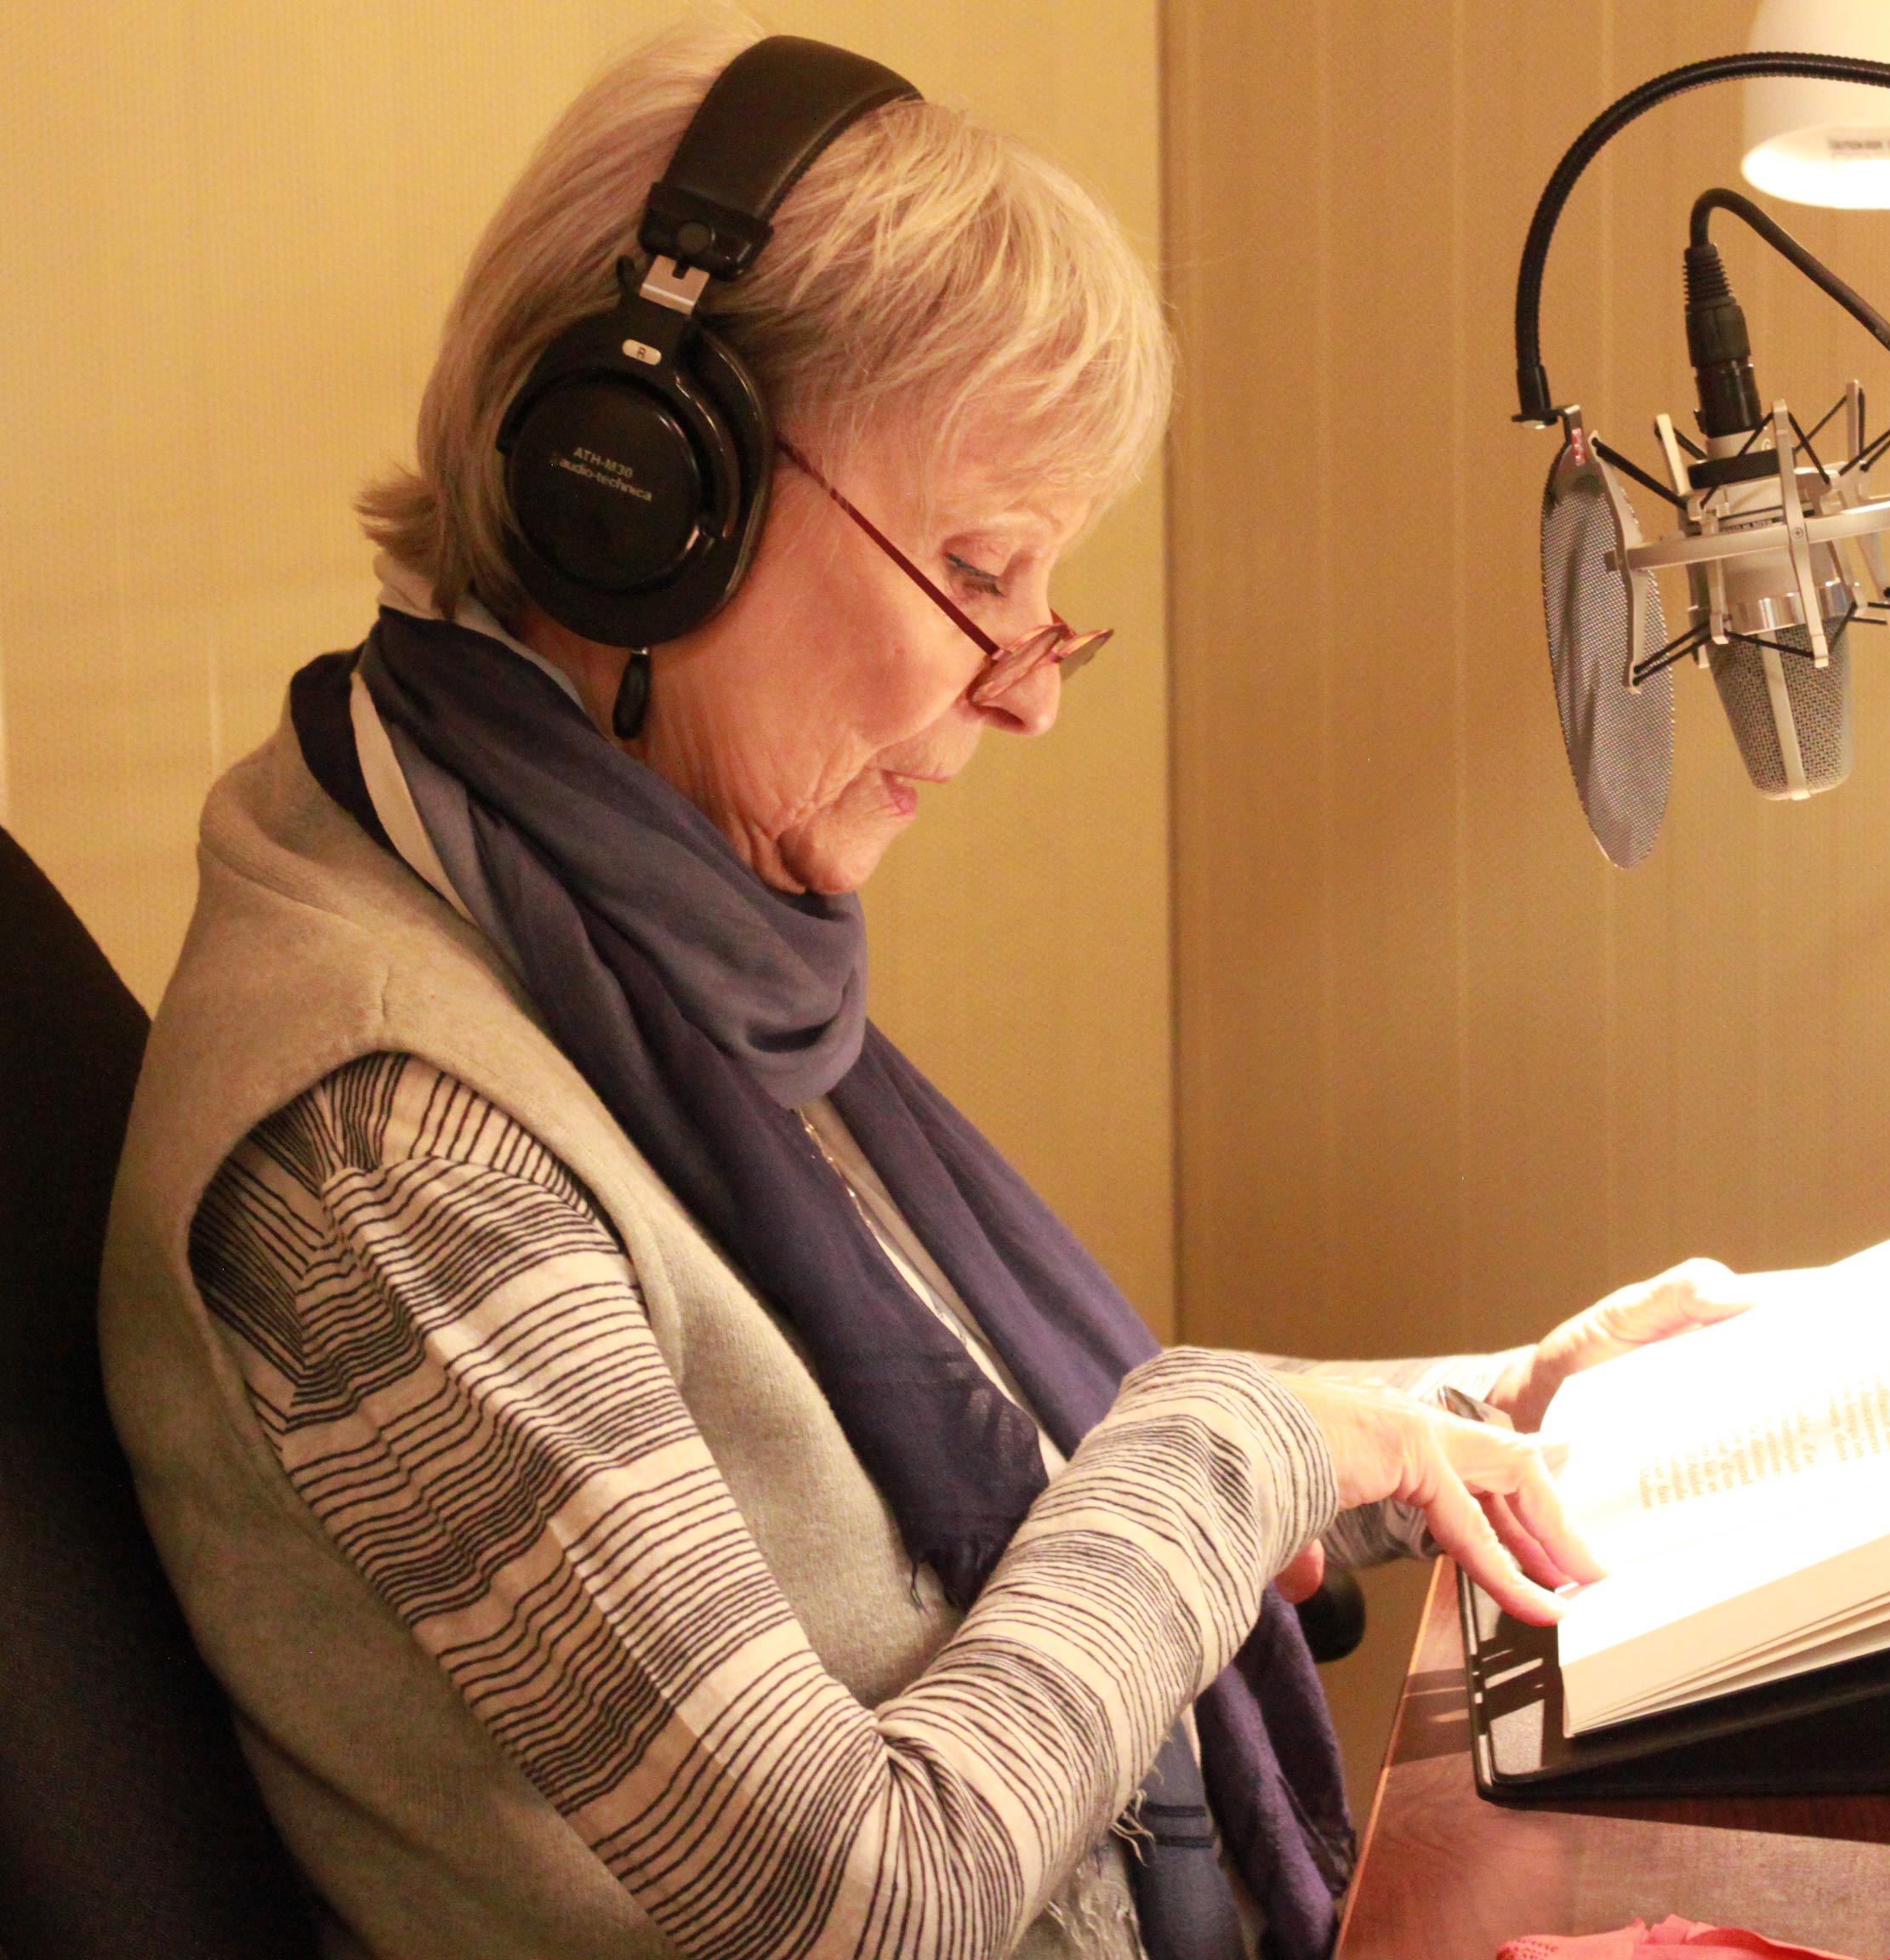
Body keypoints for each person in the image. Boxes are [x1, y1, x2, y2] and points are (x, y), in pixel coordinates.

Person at [94, 20, 1743, 1960]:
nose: (1032, 687)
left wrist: (1470, 1420)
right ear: (637, 494)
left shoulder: (612, 914)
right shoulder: (387, 1148)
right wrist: (1244, 1443)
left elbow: (989, 1520)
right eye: (980, 571)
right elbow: (860, 1900)